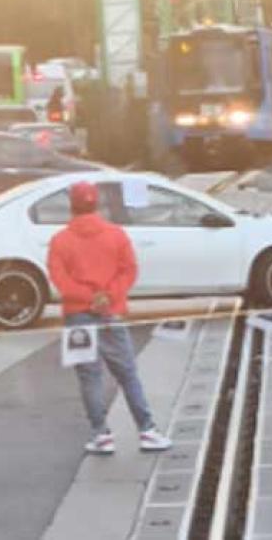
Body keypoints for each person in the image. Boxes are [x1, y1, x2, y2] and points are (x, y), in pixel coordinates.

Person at [48, 181, 172, 455]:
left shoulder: (60, 241)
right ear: (97, 204)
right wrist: (108, 297)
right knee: (127, 373)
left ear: (72, 206)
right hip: (112, 312)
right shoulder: (116, 235)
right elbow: (129, 270)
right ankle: (147, 431)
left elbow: (59, 279)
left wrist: (86, 298)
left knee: (89, 377)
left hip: (77, 317)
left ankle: (101, 435)